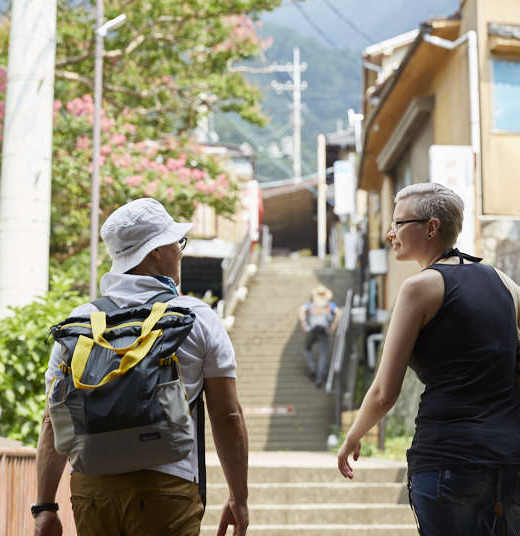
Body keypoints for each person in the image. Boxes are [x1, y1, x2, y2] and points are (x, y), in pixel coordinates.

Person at [336, 183, 520, 535]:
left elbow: (386, 391)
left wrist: (353, 436)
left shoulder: (419, 288)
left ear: (431, 227)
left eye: (398, 224)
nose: (389, 233)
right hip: (511, 463)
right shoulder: (502, 282)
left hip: (449, 459)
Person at [33, 198, 249, 536]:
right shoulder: (196, 317)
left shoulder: (79, 323)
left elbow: (52, 419)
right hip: (166, 489)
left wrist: (45, 508)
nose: (181, 252)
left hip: (92, 492)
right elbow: (227, 415)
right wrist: (239, 496)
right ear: (155, 253)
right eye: (177, 244)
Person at [298, 285, 341, 387]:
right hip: (324, 330)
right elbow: (339, 313)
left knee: (307, 349)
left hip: (312, 329)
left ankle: (313, 367)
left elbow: (301, 309)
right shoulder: (329, 304)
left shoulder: (312, 303)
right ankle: (319, 379)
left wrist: (304, 322)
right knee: (323, 354)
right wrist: (334, 326)